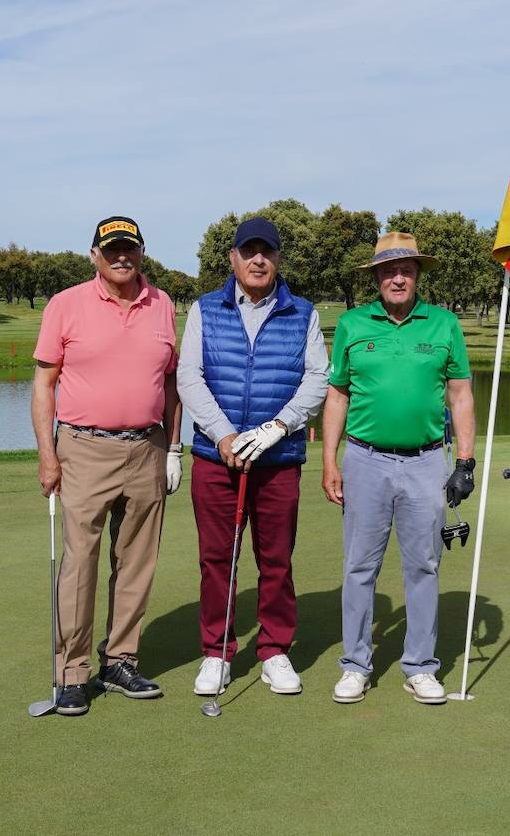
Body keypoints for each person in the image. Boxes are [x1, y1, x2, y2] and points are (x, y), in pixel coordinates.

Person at [31, 215, 182, 717]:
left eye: (130, 249)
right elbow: (44, 385)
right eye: (112, 248)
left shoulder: (162, 304)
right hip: (84, 447)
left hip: (148, 447)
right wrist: (47, 455)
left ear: (142, 253)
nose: (122, 256)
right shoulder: (66, 304)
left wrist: (175, 449)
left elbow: (172, 384)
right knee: (80, 563)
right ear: (95, 253)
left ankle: (120, 661)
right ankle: (72, 673)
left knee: (137, 561)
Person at [321, 232, 476, 705]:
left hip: (428, 461)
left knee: (424, 566)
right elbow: (338, 395)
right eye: (389, 270)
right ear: (377, 277)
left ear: (417, 275)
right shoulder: (351, 324)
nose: (398, 277)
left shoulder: (444, 324)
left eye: (406, 269)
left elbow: (461, 395)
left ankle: (420, 666)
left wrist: (465, 461)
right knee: (359, 567)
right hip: (364, 460)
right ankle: (356, 664)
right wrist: (328, 460)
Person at [177, 217, 328, 698]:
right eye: (249, 251)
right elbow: (190, 377)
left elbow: (317, 380)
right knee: (217, 559)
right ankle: (216, 653)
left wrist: (277, 427)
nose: (258, 259)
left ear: (278, 259)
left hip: (279, 458)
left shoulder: (302, 313)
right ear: (233, 259)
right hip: (215, 459)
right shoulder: (206, 308)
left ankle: (274, 651)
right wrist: (223, 435)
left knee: (277, 559)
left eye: (267, 251)